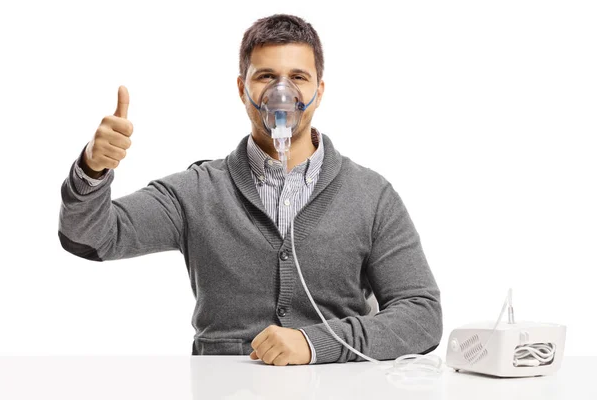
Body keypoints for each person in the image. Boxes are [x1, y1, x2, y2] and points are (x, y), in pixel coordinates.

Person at [58, 13, 443, 366]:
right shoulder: (196, 193)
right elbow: (90, 238)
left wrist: (315, 344)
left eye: (298, 77)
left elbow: (422, 316)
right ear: (243, 89)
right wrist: (93, 168)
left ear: (319, 90)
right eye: (265, 77)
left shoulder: (370, 195)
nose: (282, 92)